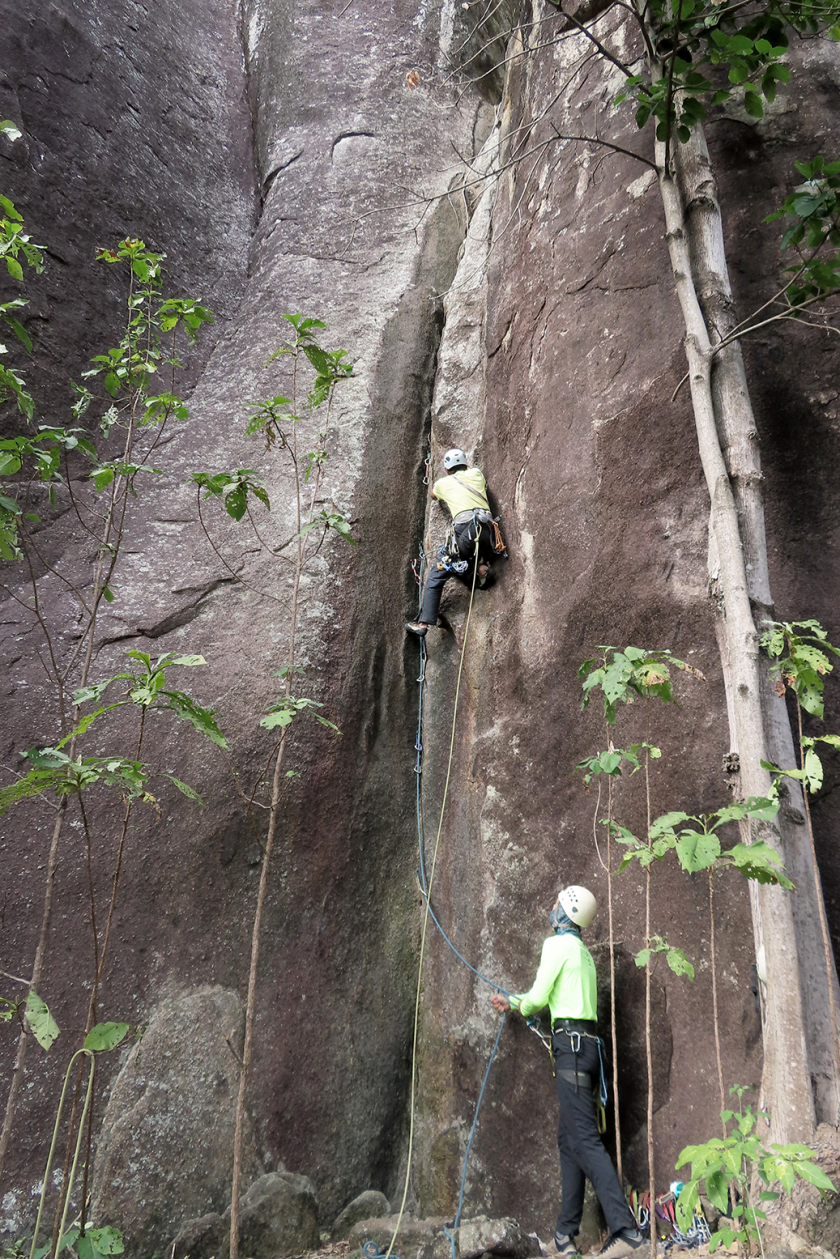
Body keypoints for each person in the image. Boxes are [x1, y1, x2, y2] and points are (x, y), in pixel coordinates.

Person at [491, 886, 644, 1259]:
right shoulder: (583, 955)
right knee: (569, 1141)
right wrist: (515, 1002)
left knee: (586, 1141)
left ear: (566, 911)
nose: (552, 906)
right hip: (587, 1050)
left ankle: (626, 1232)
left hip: (571, 1052)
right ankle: (564, 1235)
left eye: (557, 902)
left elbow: (539, 1001)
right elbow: (558, 999)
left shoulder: (556, 946)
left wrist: (518, 1005)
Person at [405, 448, 502, 638]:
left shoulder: (443, 483)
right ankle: (481, 569)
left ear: (448, 470)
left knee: (436, 575)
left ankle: (423, 623)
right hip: (489, 533)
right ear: (466, 465)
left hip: (465, 532)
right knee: (461, 560)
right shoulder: (476, 474)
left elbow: (433, 495)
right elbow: (475, 475)